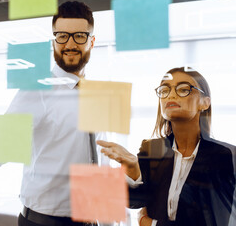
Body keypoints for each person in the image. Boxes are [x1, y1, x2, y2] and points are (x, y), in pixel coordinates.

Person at [0, 1, 104, 226]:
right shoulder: (37, 90)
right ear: (54, 42)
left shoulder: (96, 95)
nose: (70, 44)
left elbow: (97, 157)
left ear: (92, 41)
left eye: (79, 36)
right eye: (62, 36)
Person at [98, 67, 235, 226]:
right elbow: (135, 202)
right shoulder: (152, 149)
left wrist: (151, 224)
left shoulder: (225, 156)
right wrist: (132, 168)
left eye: (183, 89)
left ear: (205, 103)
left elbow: (212, 221)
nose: (171, 94)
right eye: (164, 90)